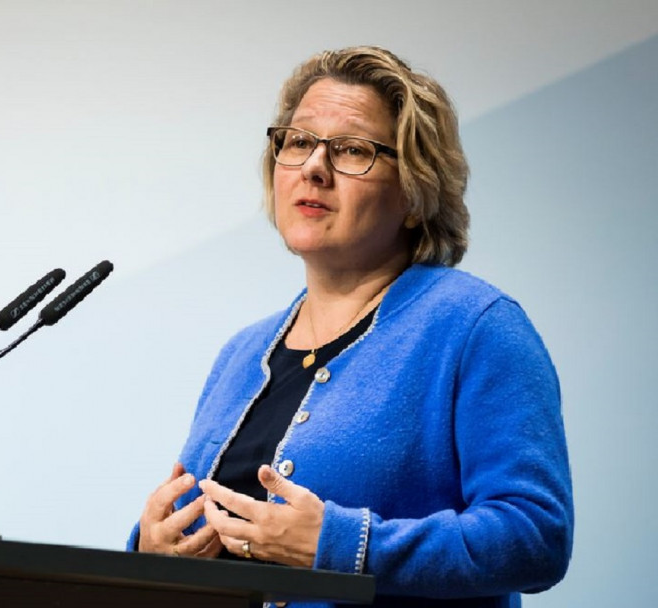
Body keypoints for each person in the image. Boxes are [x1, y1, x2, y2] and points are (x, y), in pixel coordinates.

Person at [128, 46, 574, 607]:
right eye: (298, 142)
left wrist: (344, 545)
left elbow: (536, 537)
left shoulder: (474, 328)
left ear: (414, 193)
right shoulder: (241, 354)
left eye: (352, 150)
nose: (315, 167)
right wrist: (151, 550)